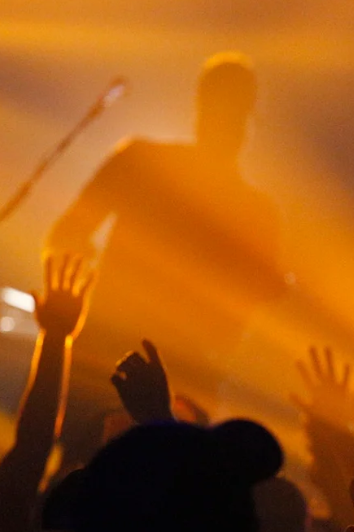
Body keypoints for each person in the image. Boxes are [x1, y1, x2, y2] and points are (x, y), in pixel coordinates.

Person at [45, 52, 285, 459]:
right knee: (142, 480)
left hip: (139, 367)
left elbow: (67, 234)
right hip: (141, 368)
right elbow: (67, 234)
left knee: (80, 475)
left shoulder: (142, 162)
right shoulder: (255, 211)